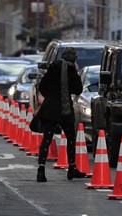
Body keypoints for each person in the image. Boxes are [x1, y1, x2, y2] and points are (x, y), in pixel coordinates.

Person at [36, 47, 86, 182]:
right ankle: (72, 168)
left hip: (50, 108)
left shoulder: (52, 68)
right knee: (70, 137)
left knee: (47, 138)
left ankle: (41, 170)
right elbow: (78, 90)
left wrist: (51, 97)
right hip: (65, 109)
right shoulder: (71, 70)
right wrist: (75, 72)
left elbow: (42, 87)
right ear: (74, 59)